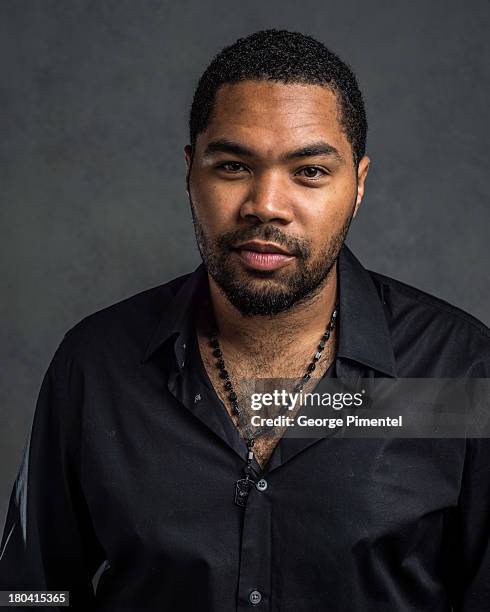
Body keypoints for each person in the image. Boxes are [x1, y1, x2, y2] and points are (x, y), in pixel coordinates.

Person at [0, 29, 488, 612]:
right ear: (190, 172)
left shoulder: (460, 373)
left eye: (308, 171)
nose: (266, 204)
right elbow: (30, 590)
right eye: (233, 165)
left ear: (357, 185)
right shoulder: (95, 364)